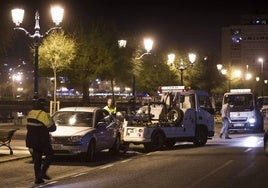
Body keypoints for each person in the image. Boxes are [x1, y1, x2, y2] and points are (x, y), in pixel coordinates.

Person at [26, 98, 56, 184]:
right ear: (43, 106)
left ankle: (38, 179)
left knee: (37, 160)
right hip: (42, 140)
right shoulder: (44, 114)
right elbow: (52, 128)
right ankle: (43, 173)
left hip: (31, 140)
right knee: (50, 155)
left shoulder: (30, 113)